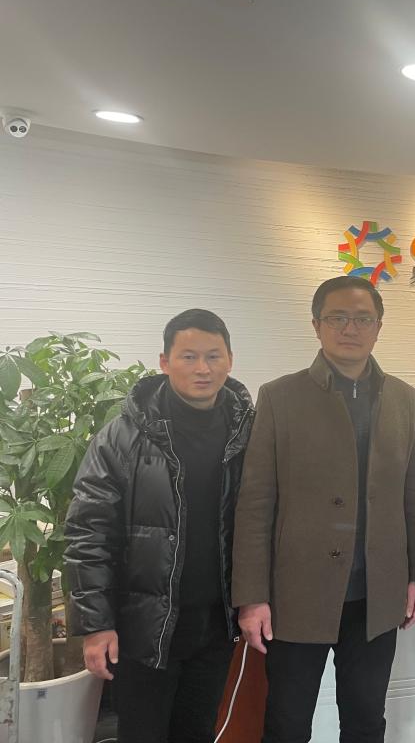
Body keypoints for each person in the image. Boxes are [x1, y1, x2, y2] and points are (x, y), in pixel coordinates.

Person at [232, 276, 415, 743]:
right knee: (287, 721)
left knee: (366, 720)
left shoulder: (403, 398)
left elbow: (412, 498)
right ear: (317, 325)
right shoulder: (280, 397)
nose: (350, 328)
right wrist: (252, 597)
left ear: (378, 327)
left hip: (375, 595)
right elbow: (255, 503)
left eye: (362, 319)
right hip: (296, 594)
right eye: (337, 317)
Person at [65, 308, 253, 743]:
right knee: (143, 734)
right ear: (165, 362)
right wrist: (96, 625)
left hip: (215, 625)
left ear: (230, 360)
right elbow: (88, 533)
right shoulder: (121, 437)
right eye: (188, 356)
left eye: (213, 356)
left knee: (197, 732)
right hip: (143, 628)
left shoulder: (248, 434)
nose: (202, 368)